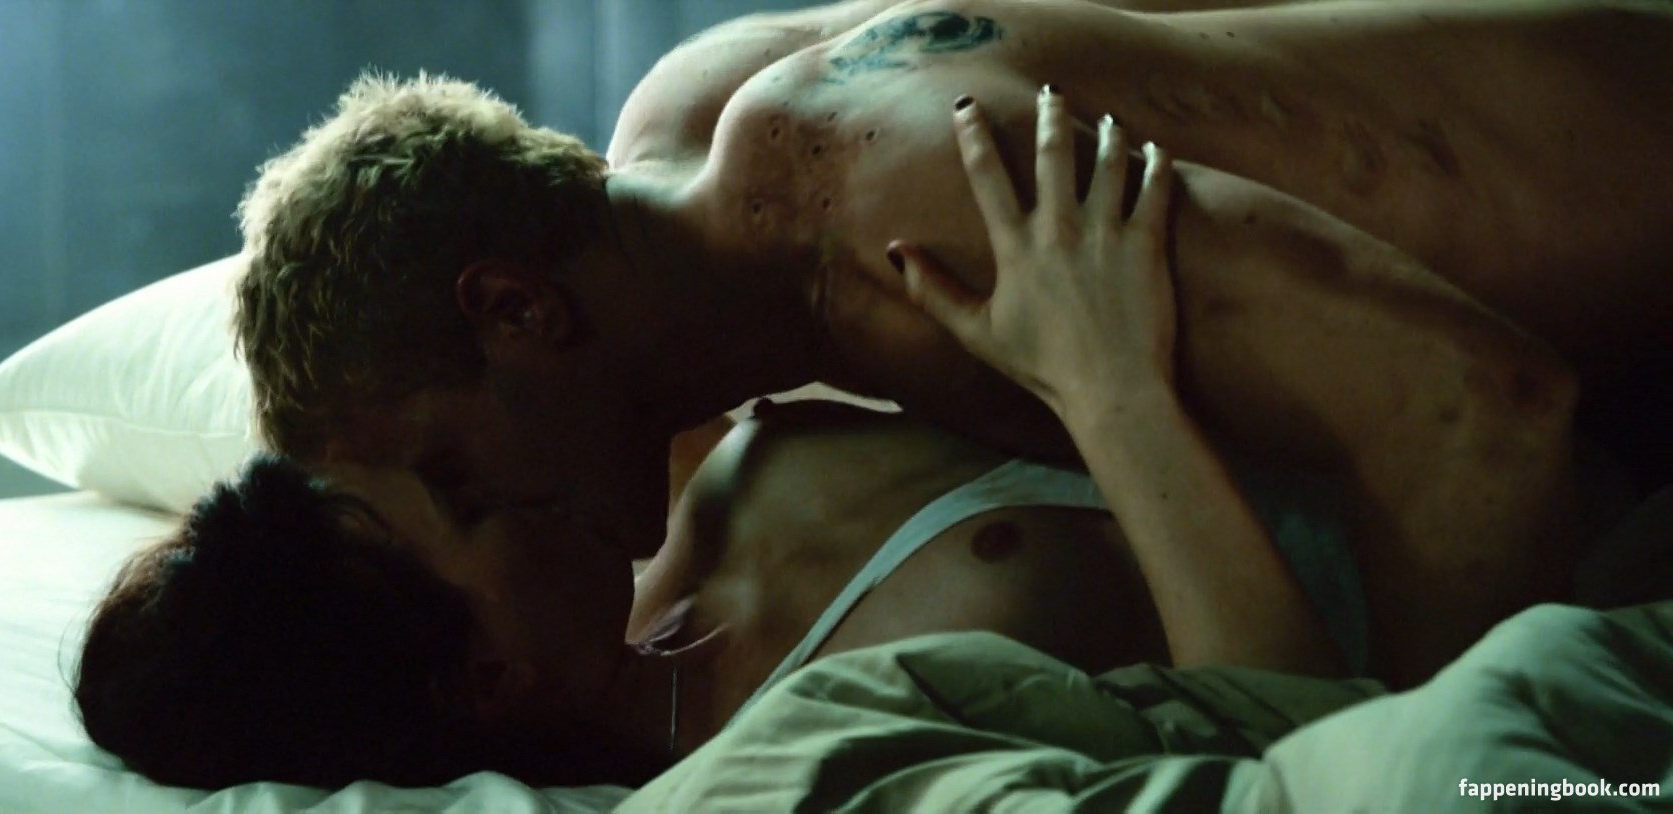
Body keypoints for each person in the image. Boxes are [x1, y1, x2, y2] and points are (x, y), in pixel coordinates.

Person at [81, 103, 1515, 791]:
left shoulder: (648, 511)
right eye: (453, 504)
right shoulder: (795, 742)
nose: (498, 489)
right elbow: (1290, 745)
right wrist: (1115, 393)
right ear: (484, 673)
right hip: (1483, 555)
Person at [233, 0, 1671, 683]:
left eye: (453, 469)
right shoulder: (682, 135)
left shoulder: (888, 205)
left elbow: (1483, 411)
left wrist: (1416, 771)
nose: (483, 517)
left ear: (518, 308)